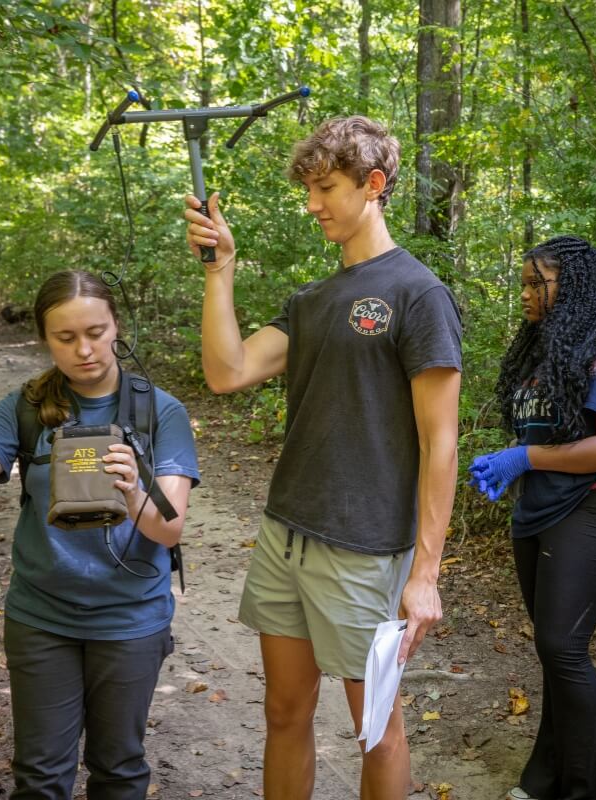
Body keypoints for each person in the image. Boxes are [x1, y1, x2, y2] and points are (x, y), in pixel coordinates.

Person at [184, 115, 462, 799]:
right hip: (286, 534)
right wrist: (221, 272)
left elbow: (442, 441)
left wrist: (425, 573)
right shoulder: (311, 301)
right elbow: (228, 371)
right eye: (308, 189)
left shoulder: (418, 294)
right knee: (284, 712)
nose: (313, 205)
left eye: (326, 188)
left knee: (376, 728)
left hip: (365, 549)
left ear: (374, 185)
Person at [0, 269, 200, 799]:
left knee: (119, 770)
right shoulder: (25, 406)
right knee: (40, 775)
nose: (84, 350)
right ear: (45, 339)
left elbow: (168, 530)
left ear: (117, 326)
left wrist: (132, 490)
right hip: (41, 618)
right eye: (66, 337)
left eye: (96, 332)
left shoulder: (160, 412)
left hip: (130, 620)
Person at [468, 235, 596, 800]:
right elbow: (543, 434)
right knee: (553, 652)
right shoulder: (543, 348)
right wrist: (505, 464)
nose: (524, 293)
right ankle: (546, 776)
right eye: (523, 282)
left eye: (534, 282)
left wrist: (524, 456)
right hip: (538, 513)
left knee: (564, 650)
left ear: (570, 285)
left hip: (595, 510)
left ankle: (591, 790)